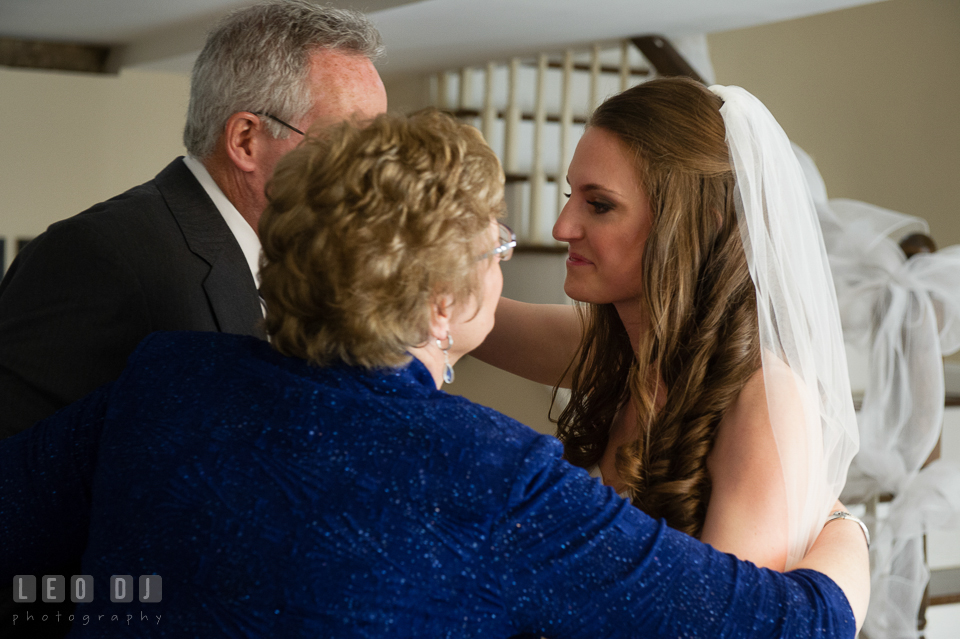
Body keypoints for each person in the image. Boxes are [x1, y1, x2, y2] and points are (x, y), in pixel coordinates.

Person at [0, 110, 868, 638]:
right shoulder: (490, 474)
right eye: (496, 245)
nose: (529, 244)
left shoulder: (167, 380)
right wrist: (849, 530)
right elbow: (788, 625)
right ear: (444, 305)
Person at [473, 77, 860, 571]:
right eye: (572, 195)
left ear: (705, 223)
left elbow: (726, 619)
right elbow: (469, 314)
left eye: (599, 204)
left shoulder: (764, 401)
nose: (561, 228)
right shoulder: (619, 352)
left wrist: (849, 534)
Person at [0, 0, 387, 439]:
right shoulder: (97, 255)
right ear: (245, 140)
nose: (370, 169)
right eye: (349, 143)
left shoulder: (317, 262)